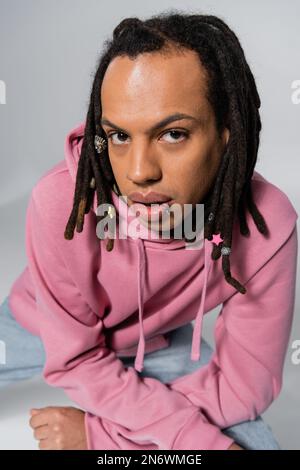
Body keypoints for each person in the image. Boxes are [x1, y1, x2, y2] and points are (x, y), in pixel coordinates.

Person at [0, 11, 297, 450]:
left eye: (173, 134)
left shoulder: (266, 223)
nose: (139, 172)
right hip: (44, 323)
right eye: (119, 136)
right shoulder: (63, 201)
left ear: (226, 135)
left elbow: (244, 385)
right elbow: (75, 357)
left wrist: (100, 437)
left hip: (154, 343)